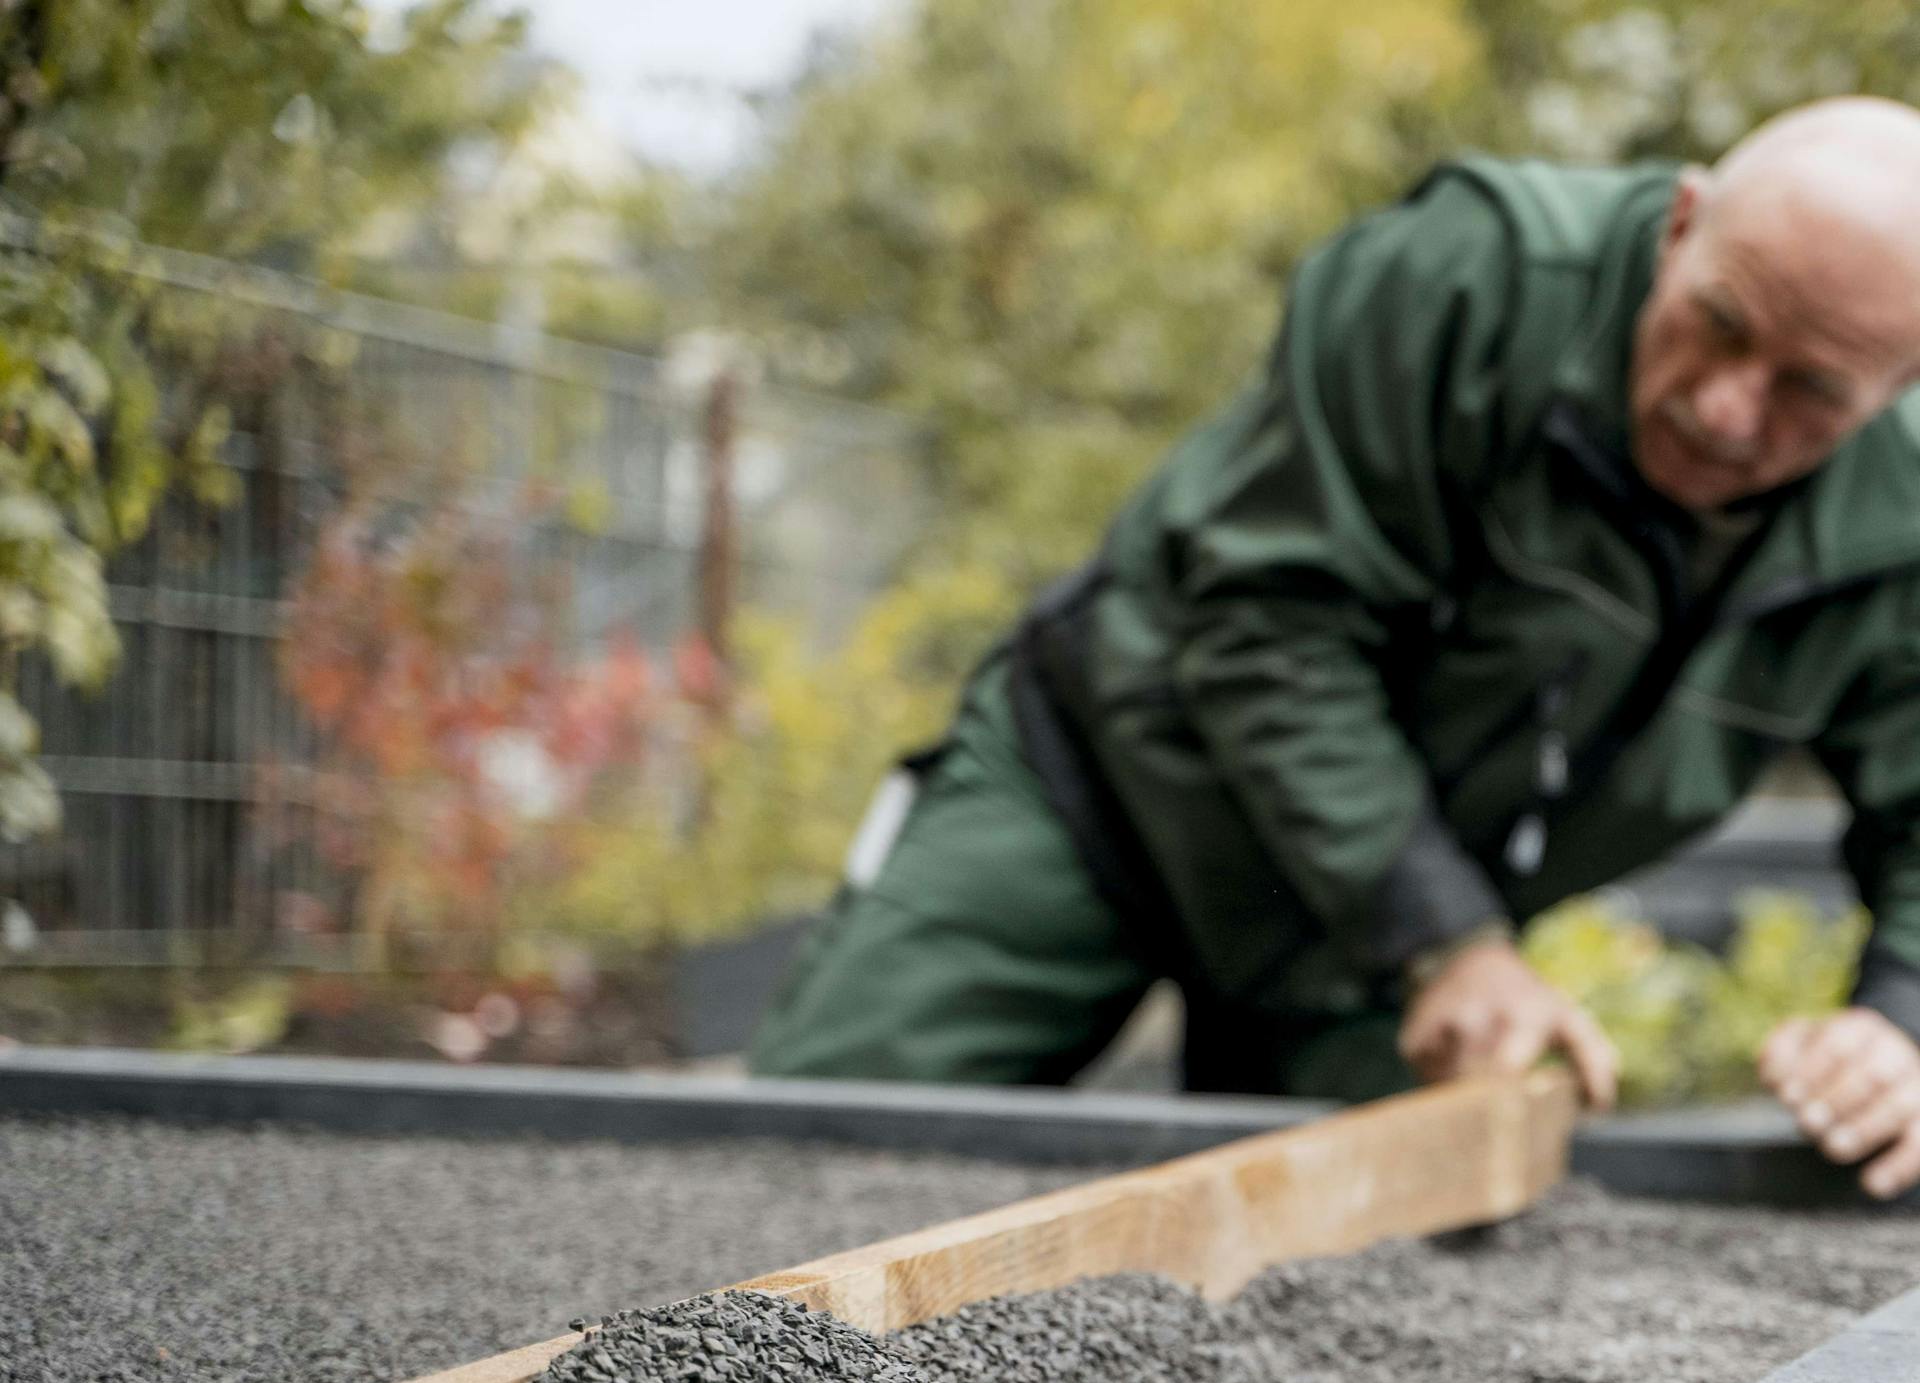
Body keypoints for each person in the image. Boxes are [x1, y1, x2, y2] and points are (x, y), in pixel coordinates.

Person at [753, 97, 1920, 1201]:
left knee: (1406, 1275)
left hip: (1369, 956)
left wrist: (1901, 1023)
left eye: (1811, 389)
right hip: (1107, 788)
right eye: (1718, 323)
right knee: (797, 1175)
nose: (1726, 407)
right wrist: (1448, 935)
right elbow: (1267, 621)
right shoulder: (1465, 277)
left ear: (1899, 385)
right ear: (1680, 225)